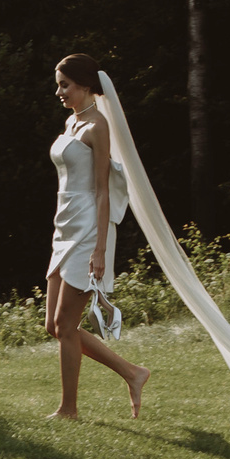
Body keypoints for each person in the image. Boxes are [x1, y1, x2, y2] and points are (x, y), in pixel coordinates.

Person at [46, 53, 152, 420]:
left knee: (65, 327)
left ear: (86, 86)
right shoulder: (70, 121)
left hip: (90, 229)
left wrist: (100, 249)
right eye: (58, 84)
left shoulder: (97, 126)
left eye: (65, 85)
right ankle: (133, 372)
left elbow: (103, 191)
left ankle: (68, 409)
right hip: (64, 228)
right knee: (53, 326)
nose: (59, 91)